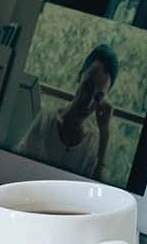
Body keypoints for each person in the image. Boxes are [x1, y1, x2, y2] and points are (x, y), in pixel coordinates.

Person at [16, 46, 118, 178]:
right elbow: (19, 162)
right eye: (87, 87)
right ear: (79, 76)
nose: (88, 102)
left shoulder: (92, 145)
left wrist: (104, 133)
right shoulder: (46, 120)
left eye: (98, 97)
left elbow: (100, 190)